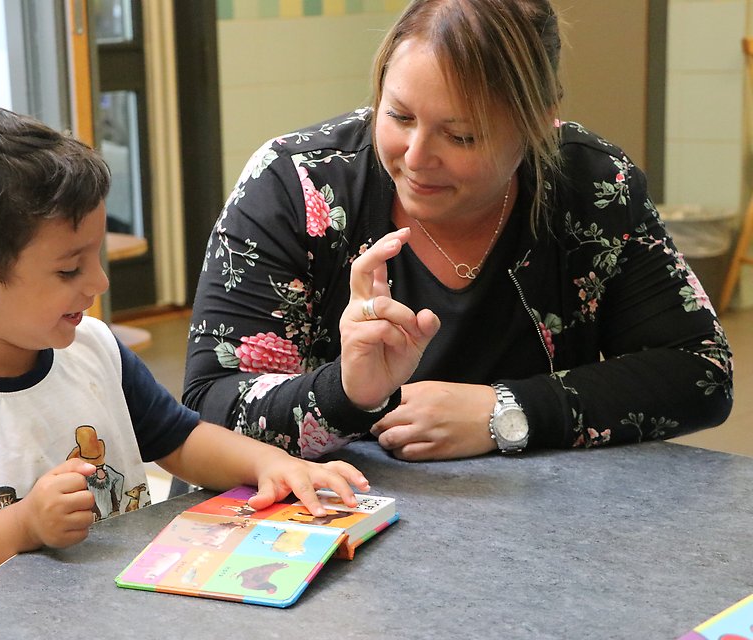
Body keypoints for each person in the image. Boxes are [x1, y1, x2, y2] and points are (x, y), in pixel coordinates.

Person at [0, 103, 370, 640]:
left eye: (96, 255)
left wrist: (268, 463)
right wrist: (24, 525)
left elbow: (180, 438)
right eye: (69, 268)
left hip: (114, 612)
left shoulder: (93, 349)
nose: (97, 281)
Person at [183, 0, 734, 463]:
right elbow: (206, 407)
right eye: (398, 116)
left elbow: (699, 373)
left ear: (541, 123)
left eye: (462, 136)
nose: (417, 158)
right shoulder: (295, 184)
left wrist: (507, 412)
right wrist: (347, 391)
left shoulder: (592, 187)